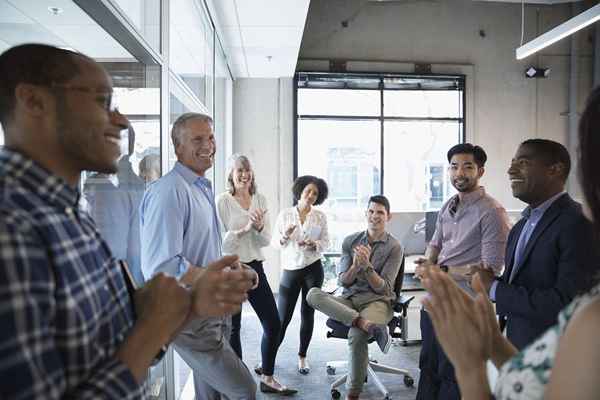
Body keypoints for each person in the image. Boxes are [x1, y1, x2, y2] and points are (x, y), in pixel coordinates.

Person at [0, 43, 256, 400]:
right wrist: (154, 326)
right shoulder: (11, 228)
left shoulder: (65, 212)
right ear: (33, 101)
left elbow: (94, 347)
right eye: (102, 101)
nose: (121, 121)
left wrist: (166, 309)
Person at [140, 113, 258, 400]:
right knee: (244, 389)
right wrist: (216, 277)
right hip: (189, 315)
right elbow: (162, 265)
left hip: (210, 312)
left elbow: (201, 251)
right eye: (197, 139)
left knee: (211, 394)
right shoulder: (169, 192)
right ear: (177, 147)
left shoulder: (199, 187)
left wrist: (232, 268)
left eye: (210, 137)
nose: (208, 145)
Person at [474, 139, 597, 350]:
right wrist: (489, 282)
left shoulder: (577, 223)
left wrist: (494, 288)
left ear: (555, 170)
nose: (510, 170)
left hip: (556, 356)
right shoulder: (521, 226)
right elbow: (522, 283)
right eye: (512, 162)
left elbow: (567, 303)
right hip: (518, 346)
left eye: (522, 163)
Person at [414, 143, 510, 400]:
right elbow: (436, 243)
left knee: (453, 373)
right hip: (434, 303)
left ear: (480, 171)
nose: (460, 173)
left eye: (467, 167)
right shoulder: (448, 205)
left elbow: (490, 269)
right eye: (454, 167)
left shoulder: (492, 212)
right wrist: (427, 262)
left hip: (464, 306)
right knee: (428, 367)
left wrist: (441, 269)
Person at [307, 195, 402, 400]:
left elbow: (384, 289)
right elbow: (343, 281)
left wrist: (367, 267)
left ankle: (353, 394)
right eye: (371, 211)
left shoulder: (394, 247)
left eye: (380, 212)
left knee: (357, 335)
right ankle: (364, 323)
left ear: (388, 216)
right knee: (312, 294)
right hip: (349, 299)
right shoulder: (350, 241)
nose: (374, 216)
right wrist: (355, 266)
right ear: (365, 213)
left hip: (377, 302)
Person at [216, 154, 296, 395]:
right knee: (233, 329)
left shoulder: (259, 199)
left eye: (248, 170)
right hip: (231, 269)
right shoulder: (223, 201)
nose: (244, 174)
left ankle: (268, 377)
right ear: (231, 173)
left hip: (255, 268)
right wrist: (244, 229)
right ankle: (239, 382)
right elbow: (222, 243)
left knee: (273, 323)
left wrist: (259, 227)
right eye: (239, 170)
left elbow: (265, 241)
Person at [272, 175, 329, 375]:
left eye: (315, 193)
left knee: (308, 314)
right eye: (308, 191)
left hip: (313, 268)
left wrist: (316, 244)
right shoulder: (285, 215)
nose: (311, 195)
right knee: (282, 318)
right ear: (300, 191)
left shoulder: (320, 217)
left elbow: (326, 242)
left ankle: (303, 357)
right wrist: (285, 235)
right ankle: (269, 357)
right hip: (291, 269)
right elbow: (275, 244)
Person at [84, 124, 145, 285]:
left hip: (114, 287)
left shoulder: (107, 187)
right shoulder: (134, 184)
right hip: (131, 282)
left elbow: (109, 253)